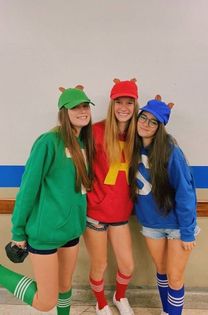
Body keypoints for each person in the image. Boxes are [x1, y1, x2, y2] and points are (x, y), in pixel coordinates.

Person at [0, 85, 95, 315]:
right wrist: (18, 232)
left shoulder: (84, 144)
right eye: (75, 107)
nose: (82, 111)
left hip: (71, 231)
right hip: (45, 233)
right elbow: (27, 190)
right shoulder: (48, 142)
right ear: (64, 111)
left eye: (85, 106)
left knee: (65, 287)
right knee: (45, 301)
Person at [129, 95, 200, 315]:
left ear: (160, 127)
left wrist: (188, 232)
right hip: (151, 223)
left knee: (175, 276)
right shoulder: (131, 147)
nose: (146, 124)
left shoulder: (171, 151)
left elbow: (185, 193)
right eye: (144, 118)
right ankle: (167, 311)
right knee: (161, 270)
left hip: (178, 225)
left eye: (153, 121)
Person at [84, 78, 138, 315]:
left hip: (120, 213)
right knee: (100, 264)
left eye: (129, 102)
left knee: (127, 264)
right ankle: (101, 302)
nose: (123, 107)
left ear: (135, 106)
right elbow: (77, 165)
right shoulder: (96, 131)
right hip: (95, 213)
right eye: (119, 101)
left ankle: (119, 296)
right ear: (112, 104)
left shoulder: (140, 135)